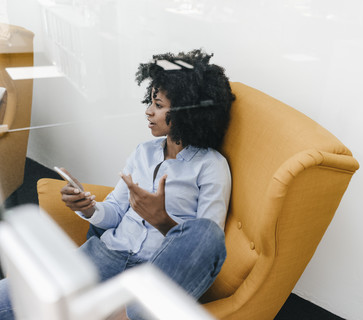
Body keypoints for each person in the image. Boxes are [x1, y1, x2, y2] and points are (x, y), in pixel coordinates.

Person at [0, 49, 235, 320]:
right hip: (103, 257)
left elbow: (206, 246)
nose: (148, 112)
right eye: (150, 102)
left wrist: (161, 220)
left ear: (187, 112)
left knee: (206, 233)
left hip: (153, 272)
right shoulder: (142, 152)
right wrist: (89, 208)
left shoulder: (211, 166)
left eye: (158, 105)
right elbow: (113, 212)